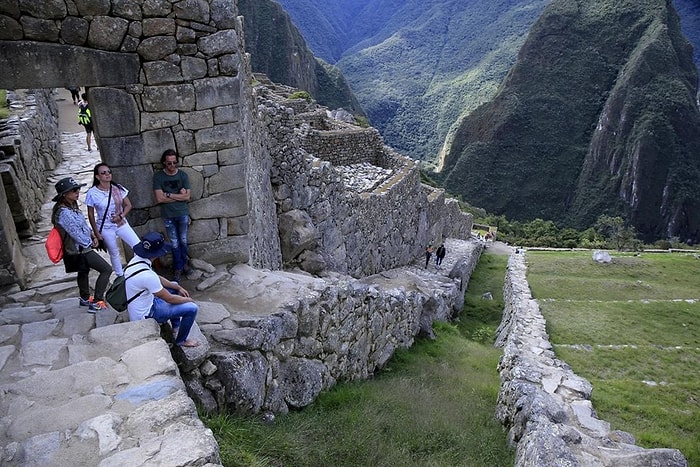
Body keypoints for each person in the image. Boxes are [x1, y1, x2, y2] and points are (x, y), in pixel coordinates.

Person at [125, 231, 200, 347]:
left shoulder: (137, 261)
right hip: (146, 314)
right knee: (192, 308)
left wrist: (177, 286)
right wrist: (189, 300)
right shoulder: (147, 277)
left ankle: (176, 327)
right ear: (157, 253)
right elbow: (170, 299)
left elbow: (156, 277)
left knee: (173, 284)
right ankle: (181, 341)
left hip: (142, 303)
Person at [51, 177, 112, 312]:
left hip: (81, 247)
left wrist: (92, 235)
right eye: (73, 191)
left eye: (77, 189)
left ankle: (84, 298)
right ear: (64, 194)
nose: (77, 192)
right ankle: (97, 301)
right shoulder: (63, 213)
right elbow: (75, 233)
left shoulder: (72, 205)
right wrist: (90, 242)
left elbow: (82, 225)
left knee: (83, 271)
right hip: (79, 249)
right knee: (106, 269)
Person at [86, 163, 141, 276]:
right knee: (114, 252)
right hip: (105, 227)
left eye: (108, 172)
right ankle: (120, 276)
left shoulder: (118, 189)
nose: (107, 174)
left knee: (138, 246)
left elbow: (128, 205)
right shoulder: (92, 193)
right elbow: (91, 215)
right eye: (103, 173)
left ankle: (136, 269)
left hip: (121, 223)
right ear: (97, 177)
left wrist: (121, 216)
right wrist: (96, 232)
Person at [153, 149, 191, 281]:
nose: (172, 166)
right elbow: (159, 199)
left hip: (182, 213)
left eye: (175, 163)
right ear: (164, 162)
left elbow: (187, 196)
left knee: (183, 240)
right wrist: (179, 196)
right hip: (168, 214)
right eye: (169, 163)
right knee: (174, 243)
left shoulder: (183, 176)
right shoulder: (158, 177)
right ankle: (179, 267)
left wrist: (168, 194)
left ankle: (182, 265)